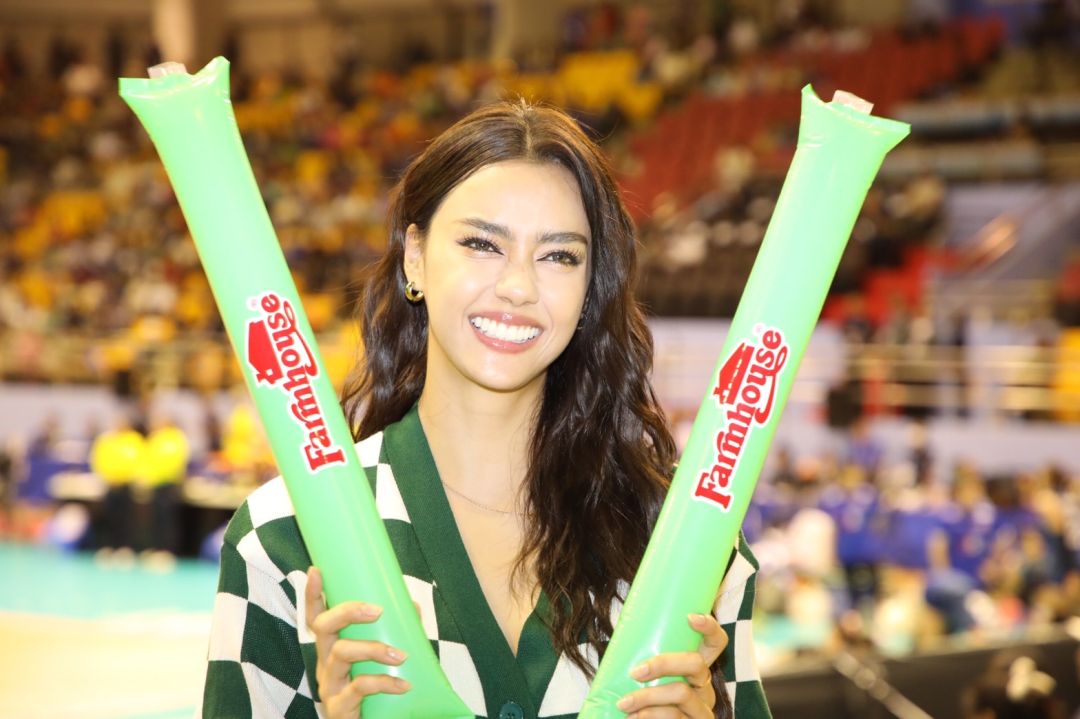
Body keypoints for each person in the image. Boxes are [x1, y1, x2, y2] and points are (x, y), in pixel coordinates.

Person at [200, 101, 771, 719]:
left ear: (590, 287)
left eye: (559, 256)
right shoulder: (282, 538)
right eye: (481, 244)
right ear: (415, 256)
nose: (519, 287)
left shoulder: (687, 537)